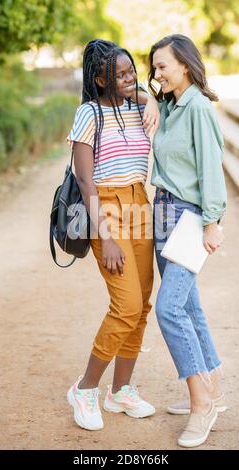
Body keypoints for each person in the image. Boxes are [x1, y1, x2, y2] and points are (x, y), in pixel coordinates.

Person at [66, 39, 159, 431]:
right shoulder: (89, 113)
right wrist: (105, 236)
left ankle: (120, 390)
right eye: (119, 74)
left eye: (131, 71)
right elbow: (85, 181)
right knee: (124, 306)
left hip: (140, 203)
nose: (128, 78)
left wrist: (147, 97)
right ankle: (85, 388)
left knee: (141, 308)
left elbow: (144, 95)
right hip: (107, 208)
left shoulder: (137, 106)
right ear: (99, 78)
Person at [148, 34, 227, 448]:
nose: (156, 73)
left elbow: (212, 166)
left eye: (162, 66)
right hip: (162, 211)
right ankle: (214, 385)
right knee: (189, 304)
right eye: (155, 67)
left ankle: (202, 405)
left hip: (190, 216)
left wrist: (213, 221)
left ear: (184, 65)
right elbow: (153, 102)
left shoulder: (197, 107)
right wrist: (151, 97)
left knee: (169, 308)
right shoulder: (168, 104)